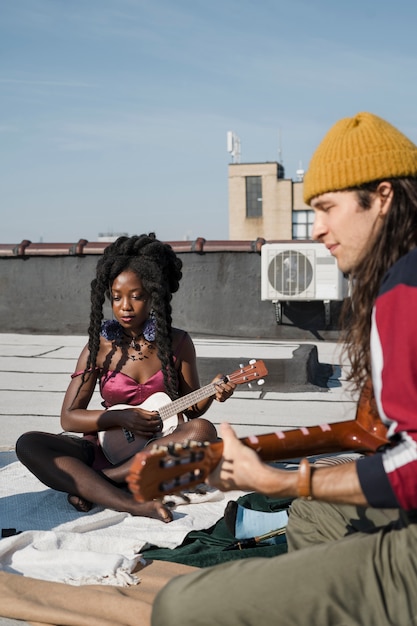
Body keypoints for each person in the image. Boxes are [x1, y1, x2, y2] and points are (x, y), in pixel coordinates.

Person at [151, 112, 417, 624]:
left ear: (383, 196)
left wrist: (285, 482)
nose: (316, 229)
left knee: (179, 605)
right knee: (314, 521)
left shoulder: (404, 289)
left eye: (327, 208)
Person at [15, 233, 235, 522]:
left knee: (202, 430)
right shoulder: (99, 347)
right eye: (117, 297)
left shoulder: (178, 342)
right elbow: (69, 418)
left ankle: (98, 483)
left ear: (154, 296)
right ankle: (129, 501)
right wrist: (120, 418)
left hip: (156, 450)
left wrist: (213, 392)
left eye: (137, 296)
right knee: (28, 444)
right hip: (103, 446)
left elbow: (190, 408)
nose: (125, 307)